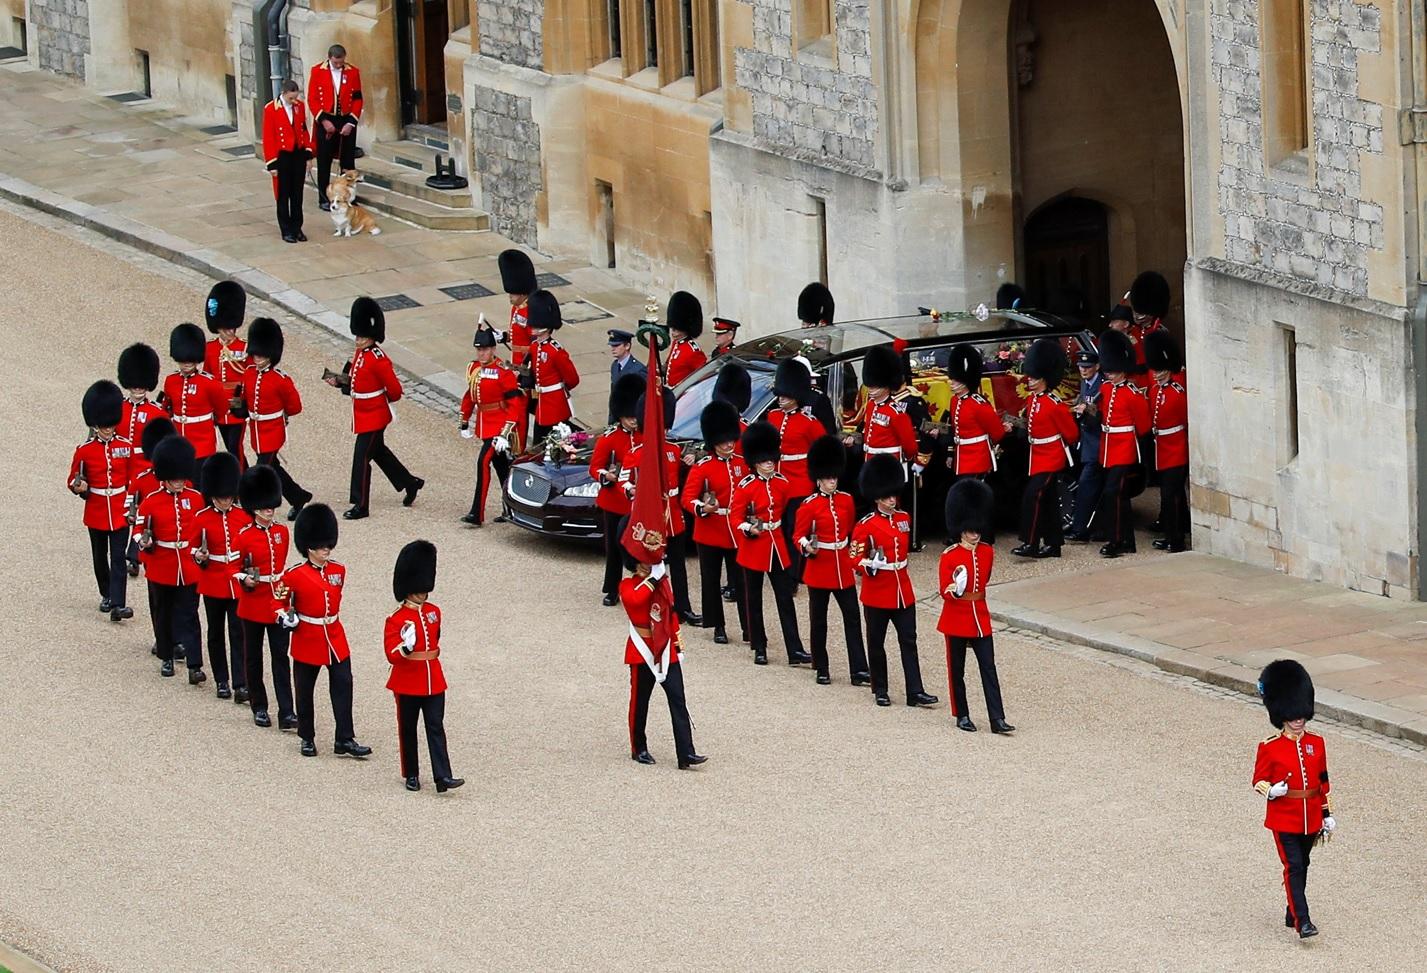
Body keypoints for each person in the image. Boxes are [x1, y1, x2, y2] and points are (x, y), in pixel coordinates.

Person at [1253, 659, 1335, 939]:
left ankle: (1292, 910)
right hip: (1284, 817)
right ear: (1282, 715)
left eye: (1301, 715)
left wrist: (1326, 814)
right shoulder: (1270, 747)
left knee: (1304, 864)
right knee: (1294, 866)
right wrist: (1271, 790)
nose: (1299, 720)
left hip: (1311, 816)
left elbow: (1322, 782)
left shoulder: (1317, 743)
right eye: (1293, 715)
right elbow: (1258, 780)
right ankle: (1304, 921)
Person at [283, 503, 372, 759]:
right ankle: (307, 736)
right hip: (308, 636)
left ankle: (344, 738)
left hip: (334, 635)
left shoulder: (338, 571)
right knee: (305, 690)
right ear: (309, 547)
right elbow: (278, 601)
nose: (326, 550)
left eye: (328, 546)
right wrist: (285, 617)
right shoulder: (294, 575)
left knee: (344, 684)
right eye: (322, 546)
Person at [325, 297, 423, 520]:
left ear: (371, 336)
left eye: (362, 336)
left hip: (375, 416)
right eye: (357, 336)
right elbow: (356, 381)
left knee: (361, 457)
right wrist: (340, 382)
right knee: (379, 453)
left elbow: (395, 391)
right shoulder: (361, 353)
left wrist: (379, 401)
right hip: (362, 414)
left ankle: (361, 504)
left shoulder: (379, 359)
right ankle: (410, 483)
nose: (358, 340)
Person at [851, 455, 937, 708]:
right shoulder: (865, 526)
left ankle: (915, 690)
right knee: (877, 643)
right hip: (878, 591)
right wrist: (870, 565)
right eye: (887, 496)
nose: (892, 500)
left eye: (893, 495)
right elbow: (854, 559)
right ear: (877, 497)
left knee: (909, 640)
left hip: (902, 590)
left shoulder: (903, 519)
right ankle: (880, 688)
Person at [620, 533, 706, 770]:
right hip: (642, 649)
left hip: (666, 648)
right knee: (640, 703)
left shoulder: (660, 582)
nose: (652, 564)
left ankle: (686, 753)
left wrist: (678, 646)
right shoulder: (628, 584)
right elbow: (636, 600)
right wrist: (653, 580)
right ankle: (639, 747)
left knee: (678, 699)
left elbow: (670, 613)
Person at [731, 422, 811, 668]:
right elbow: (735, 517)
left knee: (785, 598)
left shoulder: (782, 482)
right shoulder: (745, 487)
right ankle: (759, 646)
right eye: (764, 460)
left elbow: (786, 508)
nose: (769, 463)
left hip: (776, 545)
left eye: (771, 459)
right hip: (754, 547)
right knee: (753, 600)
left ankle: (794, 649)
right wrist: (749, 528)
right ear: (754, 461)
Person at [386, 540, 463, 793]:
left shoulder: (434, 612)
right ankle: (411, 773)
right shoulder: (396, 619)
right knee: (407, 728)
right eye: (419, 588)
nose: (423, 592)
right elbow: (391, 654)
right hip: (408, 680)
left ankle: (443, 776)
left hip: (433, 678)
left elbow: (435, 639)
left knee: (435, 726)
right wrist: (405, 648)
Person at [620, 386, 701, 625]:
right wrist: (631, 490)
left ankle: (683, 607)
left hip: (672, 514)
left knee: (678, 565)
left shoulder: (674, 450)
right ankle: (654, 603)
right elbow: (625, 480)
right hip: (650, 514)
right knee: (652, 562)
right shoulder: (636, 452)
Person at [938, 479, 1013, 734]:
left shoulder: (987, 552)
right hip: (956, 616)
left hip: (979, 615)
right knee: (956, 670)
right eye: (970, 529)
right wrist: (955, 590)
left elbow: (985, 579)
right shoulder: (949, 556)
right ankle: (962, 714)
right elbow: (944, 590)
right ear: (961, 528)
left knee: (988, 668)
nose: (975, 533)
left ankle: (997, 718)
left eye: (976, 528)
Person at [794, 436, 870, 686]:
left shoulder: (846, 500)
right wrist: (808, 547)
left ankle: (859, 669)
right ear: (818, 479)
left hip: (842, 567)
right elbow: (798, 536)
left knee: (852, 618)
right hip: (819, 567)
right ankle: (821, 666)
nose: (831, 482)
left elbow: (849, 529)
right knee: (819, 620)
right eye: (828, 479)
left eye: (834, 478)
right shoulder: (808, 506)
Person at [134, 435, 206, 683]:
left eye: (180, 477)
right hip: (162, 563)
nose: (178, 482)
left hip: (188, 563)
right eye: (174, 478)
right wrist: (144, 542)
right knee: (163, 613)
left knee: (190, 614)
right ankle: (166, 657)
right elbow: (138, 530)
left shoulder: (195, 498)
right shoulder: (151, 501)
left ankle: (195, 665)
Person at [234, 464, 297, 726]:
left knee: (281, 658)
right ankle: (259, 706)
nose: (270, 510)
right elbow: (232, 567)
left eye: (271, 505)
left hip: (276, 601)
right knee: (254, 657)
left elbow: (280, 570)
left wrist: (285, 600)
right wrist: (245, 579)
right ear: (255, 507)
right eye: (265, 506)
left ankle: (286, 711)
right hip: (252, 601)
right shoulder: (244, 536)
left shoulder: (282, 532)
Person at [682, 401, 749, 645]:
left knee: (741, 581)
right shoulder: (702, 467)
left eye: (731, 440)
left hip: (735, 530)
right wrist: (703, 508)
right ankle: (718, 625)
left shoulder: (742, 463)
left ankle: (748, 626)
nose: (729, 444)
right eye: (724, 441)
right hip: (710, 530)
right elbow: (687, 499)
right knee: (710, 582)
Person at [69, 380, 134, 622]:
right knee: (100, 556)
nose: (108, 429)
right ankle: (106, 593)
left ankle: (118, 603)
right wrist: (80, 487)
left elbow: (132, 480)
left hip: (119, 508)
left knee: (118, 557)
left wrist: (132, 507)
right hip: (96, 507)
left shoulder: (124, 446)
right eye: (103, 426)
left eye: (110, 425)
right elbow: (73, 479)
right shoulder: (84, 450)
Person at [236, 317, 312, 521]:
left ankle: (255, 507)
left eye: (262, 354)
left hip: (273, 430)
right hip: (257, 430)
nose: (258, 358)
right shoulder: (249, 373)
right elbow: (245, 400)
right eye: (256, 353)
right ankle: (298, 496)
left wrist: (282, 415)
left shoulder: (281, 379)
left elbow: (295, 407)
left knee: (262, 471)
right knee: (274, 468)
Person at [188, 452, 250, 701]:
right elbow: (193, 548)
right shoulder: (201, 518)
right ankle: (221, 680)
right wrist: (199, 557)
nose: (225, 502)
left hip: (235, 583)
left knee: (238, 632)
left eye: (228, 497)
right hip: (213, 581)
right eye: (220, 497)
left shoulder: (243, 517)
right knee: (215, 632)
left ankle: (240, 682)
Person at [1013, 338, 1078, 559]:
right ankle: (1054, 545)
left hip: (1051, 457)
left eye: (1034, 378)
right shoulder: (1034, 400)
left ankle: (1030, 543)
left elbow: (1071, 434)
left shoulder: (1055, 404)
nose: (1029, 381)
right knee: (1049, 502)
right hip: (1037, 456)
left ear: (1044, 378)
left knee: (1033, 497)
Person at [766, 358, 824, 581]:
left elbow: (821, 451)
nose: (781, 400)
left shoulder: (809, 422)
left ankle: (795, 574)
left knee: (795, 528)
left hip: (799, 481)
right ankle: (781, 566)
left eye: (786, 396)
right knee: (778, 526)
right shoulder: (773, 416)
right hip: (777, 479)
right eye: (780, 395)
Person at [1094, 329, 1150, 557]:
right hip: (1109, 447)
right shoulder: (1106, 389)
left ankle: (1116, 540)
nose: (1109, 375)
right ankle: (1128, 541)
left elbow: (1144, 425)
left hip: (1125, 448)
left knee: (1113, 494)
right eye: (1108, 371)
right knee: (1121, 496)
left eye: (1114, 371)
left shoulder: (1132, 393)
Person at [459, 326, 523, 526]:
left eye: (485, 350)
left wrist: (505, 434)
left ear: (493, 350)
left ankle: (477, 513)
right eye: (479, 350)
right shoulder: (473, 368)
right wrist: (464, 421)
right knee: (502, 468)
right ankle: (512, 508)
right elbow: (470, 395)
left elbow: (515, 405)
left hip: (498, 427)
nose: (482, 353)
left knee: (483, 462)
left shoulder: (503, 373)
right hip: (484, 423)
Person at [590, 374, 642, 605]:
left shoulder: (645, 435)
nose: (634, 421)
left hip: (638, 501)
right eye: (630, 417)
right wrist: (606, 476)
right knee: (613, 548)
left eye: (635, 416)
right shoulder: (608, 439)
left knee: (639, 545)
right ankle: (612, 589)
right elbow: (595, 468)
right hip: (614, 501)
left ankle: (641, 584)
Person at [1145, 329, 1190, 553]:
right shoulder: (1155, 390)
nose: (1156, 374)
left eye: (1160, 370)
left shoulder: (1177, 392)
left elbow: (1184, 420)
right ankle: (1173, 533)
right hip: (1162, 447)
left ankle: (1176, 539)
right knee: (1171, 495)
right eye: (1155, 370)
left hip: (1176, 447)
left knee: (1170, 496)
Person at [308, 44, 363, 212]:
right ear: (330, 58)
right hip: (326, 119)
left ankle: (349, 196)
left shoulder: (353, 72)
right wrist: (324, 121)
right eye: (336, 63)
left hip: (346, 119)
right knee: (324, 161)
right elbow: (312, 99)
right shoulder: (317, 71)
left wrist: (351, 123)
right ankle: (324, 198)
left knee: (347, 161)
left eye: (341, 62)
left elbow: (358, 99)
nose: (339, 65)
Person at [164, 322, 228, 461]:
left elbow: (222, 408)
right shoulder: (171, 380)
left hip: (202, 444)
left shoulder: (209, 383)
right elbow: (168, 407)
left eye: (191, 360)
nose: (187, 363)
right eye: (183, 360)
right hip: (178, 441)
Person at [261, 79, 315, 243]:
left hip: (297, 154)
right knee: (283, 195)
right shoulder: (271, 109)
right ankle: (286, 230)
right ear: (284, 94)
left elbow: (303, 130)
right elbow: (268, 137)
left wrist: (308, 155)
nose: (294, 101)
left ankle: (297, 227)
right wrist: (272, 163)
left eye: (295, 97)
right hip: (282, 156)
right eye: (291, 98)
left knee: (297, 194)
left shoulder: (299, 106)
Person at [204, 280, 250, 466]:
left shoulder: (244, 347)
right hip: (219, 406)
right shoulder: (210, 348)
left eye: (231, 328)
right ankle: (246, 480)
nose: (229, 332)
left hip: (237, 405)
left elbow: (249, 375)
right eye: (225, 329)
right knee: (231, 449)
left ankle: (240, 487)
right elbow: (207, 377)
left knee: (235, 448)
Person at [527, 290, 580, 441]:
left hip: (555, 405)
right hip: (542, 403)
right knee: (538, 445)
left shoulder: (556, 351)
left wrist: (558, 388)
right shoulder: (535, 346)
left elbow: (573, 379)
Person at [1066, 348, 1105, 542]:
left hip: (1098, 444)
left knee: (1087, 486)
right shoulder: (1085, 384)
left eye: (1088, 367)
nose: (1083, 370)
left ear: (1097, 367)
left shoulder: (1102, 385)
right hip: (1087, 442)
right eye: (1081, 366)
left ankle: (1080, 528)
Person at [117, 342, 164, 482]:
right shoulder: (117, 408)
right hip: (119, 469)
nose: (138, 388)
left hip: (146, 471)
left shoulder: (157, 412)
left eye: (142, 384)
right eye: (134, 384)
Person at [496, 249, 537, 368]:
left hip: (527, 365)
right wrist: (504, 336)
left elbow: (535, 342)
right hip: (516, 362)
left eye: (512, 294)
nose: (510, 298)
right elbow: (516, 334)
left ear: (523, 293)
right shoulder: (516, 308)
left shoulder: (530, 311)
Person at [664, 291, 708, 387]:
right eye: (672, 328)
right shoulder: (676, 343)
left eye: (677, 329)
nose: (673, 332)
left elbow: (702, 376)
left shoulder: (693, 351)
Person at [606, 328, 646, 422]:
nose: (613, 349)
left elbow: (643, 399)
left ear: (627, 346)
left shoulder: (639, 370)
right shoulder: (615, 366)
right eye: (612, 345)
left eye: (616, 345)